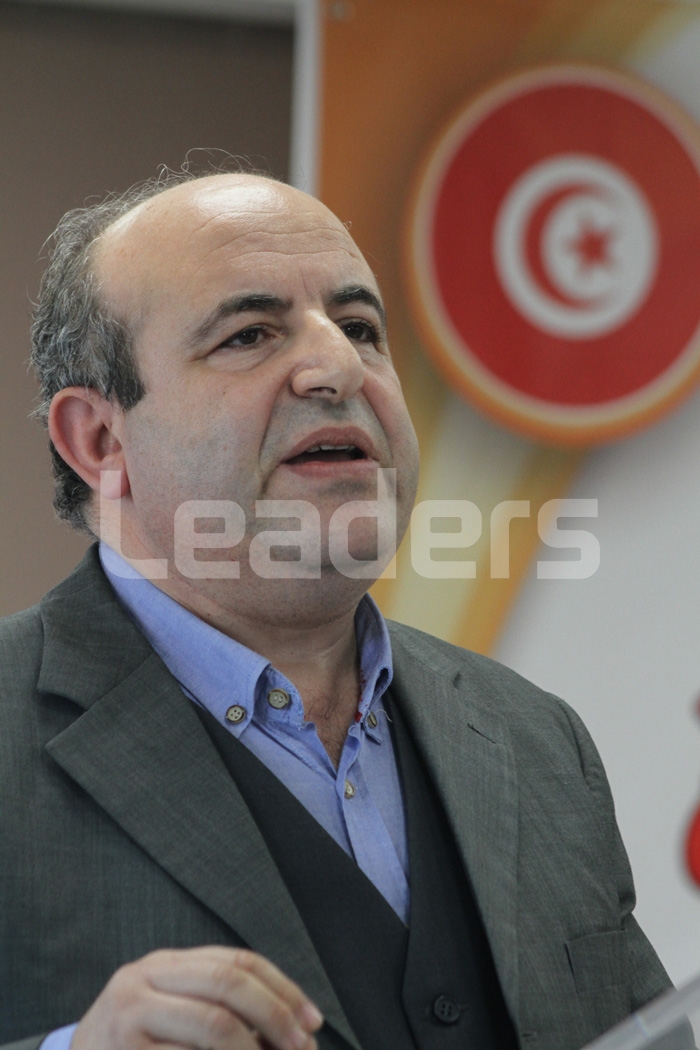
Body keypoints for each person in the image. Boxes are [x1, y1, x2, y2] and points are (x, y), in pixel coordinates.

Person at [0, 169, 671, 1050]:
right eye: (248, 335)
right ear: (99, 439)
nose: (341, 367)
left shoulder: (537, 741)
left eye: (359, 328)